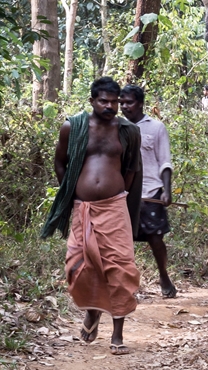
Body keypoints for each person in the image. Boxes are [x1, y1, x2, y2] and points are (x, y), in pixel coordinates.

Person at [42, 76, 142, 355]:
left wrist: (117, 193)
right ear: (92, 101)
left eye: (115, 102)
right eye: (104, 101)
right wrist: (74, 191)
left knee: (120, 267)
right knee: (78, 267)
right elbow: (60, 162)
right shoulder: (72, 127)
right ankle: (92, 312)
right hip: (82, 208)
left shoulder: (127, 131)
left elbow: (131, 168)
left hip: (114, 207)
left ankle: (118, 334)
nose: (110, 106)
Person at [119, 84, 177, 298]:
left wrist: (166, 190)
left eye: (129, 102)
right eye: (121, 103)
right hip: (123, 193)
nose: (125, 107)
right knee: (122, 242)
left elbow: (165, 161)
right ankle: (126, 286)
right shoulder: (116, 127)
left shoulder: (156, 127)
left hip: (150, 192)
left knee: (155, 239)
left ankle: (164, 275)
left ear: (140, 103)